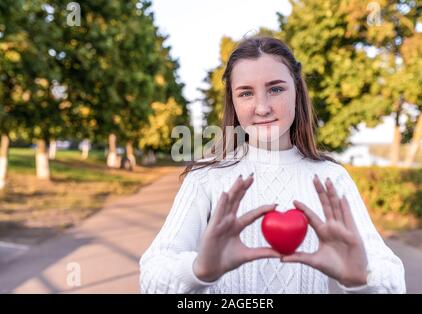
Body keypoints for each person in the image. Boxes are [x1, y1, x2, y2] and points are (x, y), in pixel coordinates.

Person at [139, 36, 405, 294]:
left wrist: (362, 278)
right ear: (232, 100)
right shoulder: (206, 177)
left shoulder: (331, 178)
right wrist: (198, 270)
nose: (262, 107)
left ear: (297, 92)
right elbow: (152, 276)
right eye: (245, 93)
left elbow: (392, 278)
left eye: (276, 89)